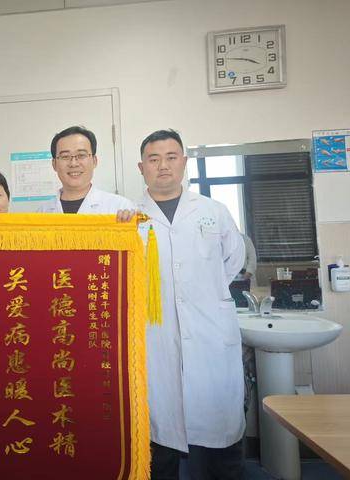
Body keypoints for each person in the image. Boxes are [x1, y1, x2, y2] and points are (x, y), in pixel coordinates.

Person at [134, 129, 245, 480]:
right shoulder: (130, 218)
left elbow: (233, 260)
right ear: (141, 167)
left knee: (222, 441)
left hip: (210, 334)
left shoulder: (213, 211)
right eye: (153, 159)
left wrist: (202, 295)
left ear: (184, 162)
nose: (163, 166)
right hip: (156, 338)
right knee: (160, 439)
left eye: (171, 157)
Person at [38, 125, 135, 216]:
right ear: (54, 164)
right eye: (65, 156)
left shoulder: (120, 207)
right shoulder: (42, 212)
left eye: (81, 155)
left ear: (94, 161)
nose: (73, 163)